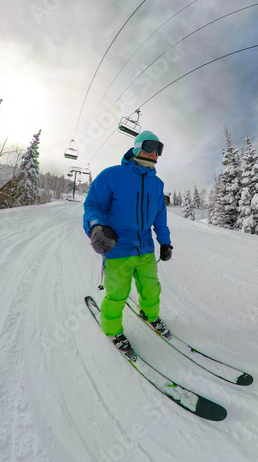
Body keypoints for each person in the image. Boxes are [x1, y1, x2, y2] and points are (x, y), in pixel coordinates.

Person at [83, 131, 173, 357]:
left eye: (158, 149)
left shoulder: (157, 184)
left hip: (145, 248)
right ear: (136, 147)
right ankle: (113, 330)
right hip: (118, 246)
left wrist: (165, 242)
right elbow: (93, 205)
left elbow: (160, 217)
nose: (154, 153)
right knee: (117, 293)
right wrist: (96, 227)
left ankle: (150, 315)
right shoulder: (112, 175)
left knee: (152, 288)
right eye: (150, 146)